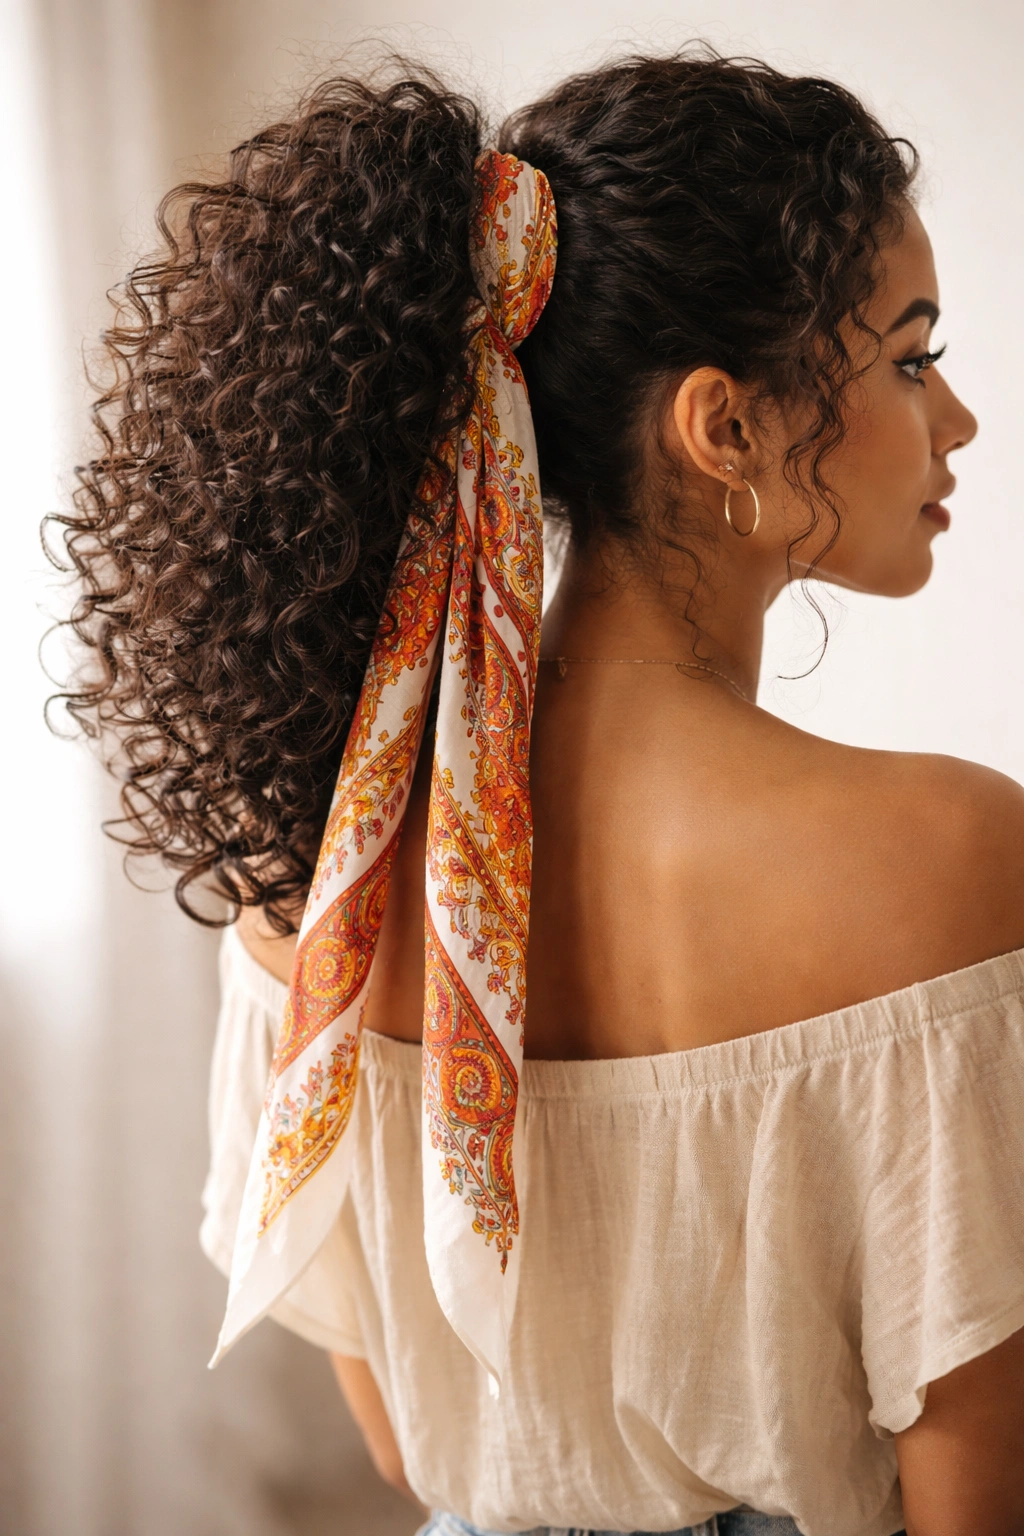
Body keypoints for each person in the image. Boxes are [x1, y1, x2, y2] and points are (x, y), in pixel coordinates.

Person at [56, 47, 1024, 1536]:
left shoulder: (312, 867)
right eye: (909, 355)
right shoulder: (953, 857)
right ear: (727, 429)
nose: (954, 421)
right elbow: (982, 1501)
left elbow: (399, 1445)